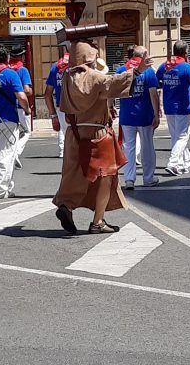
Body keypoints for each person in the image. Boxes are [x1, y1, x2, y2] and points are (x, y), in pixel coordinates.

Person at [55, 39, 150, 235]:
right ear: (90, 58)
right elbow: (113, 83)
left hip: (74, 132)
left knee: (74, 174)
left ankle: (66, 206)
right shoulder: (96, 78)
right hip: (97, 134)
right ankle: (97, 221)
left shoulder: (66, 77)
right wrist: (138, 71)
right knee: (106, 177)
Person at [0, 46, 30, 200]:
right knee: (7, 155)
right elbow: (21, 95)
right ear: (7, 58)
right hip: (9, 119)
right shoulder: (10, 74)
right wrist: (27, 109)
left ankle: (6, 187)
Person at [158, 40, 190, 176]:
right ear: (185, 53)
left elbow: (158, 82)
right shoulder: (186, 67)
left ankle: (182, 163)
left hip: (169, 106)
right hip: (184, 107)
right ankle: (173, 163)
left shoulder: (164, 66)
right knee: (182, 136)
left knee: (176, 136)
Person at [117, 46, 160, 189]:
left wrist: (110, 107)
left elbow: (113, 90)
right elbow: (153, 94)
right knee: (147, 147)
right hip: (144, 115)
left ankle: (129, 179)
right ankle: (148, 178)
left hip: (127, 115)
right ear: (144, 56)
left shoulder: (122, 70)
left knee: (129, 147)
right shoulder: (149, 71)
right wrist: (157, 113)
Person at [9, 44, 33, 168]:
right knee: (27, 132)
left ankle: (11, 154)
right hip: (21, 106)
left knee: (13, 133)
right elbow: (26, 90)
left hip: (8, 106)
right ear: (21, 56)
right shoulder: (22, 70)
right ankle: (16, 152)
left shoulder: (6, 69)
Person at [44, 50, 69, 158]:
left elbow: (47, 94)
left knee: (65, 133)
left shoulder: (55, 67)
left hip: (61, 108)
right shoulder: (78, 66)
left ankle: (63, 152)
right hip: (77, 108)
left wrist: (53, 115)